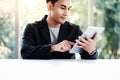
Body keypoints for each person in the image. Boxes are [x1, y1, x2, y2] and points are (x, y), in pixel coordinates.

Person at [21, 0, 98, 59]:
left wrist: (92, 51)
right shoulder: (32, 28)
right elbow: (25, 52)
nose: (66, 13)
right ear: (50, 6)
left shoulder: (74, 30)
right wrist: (52, 48)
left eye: (69, 9)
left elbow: (88, 57)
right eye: (62, 8)